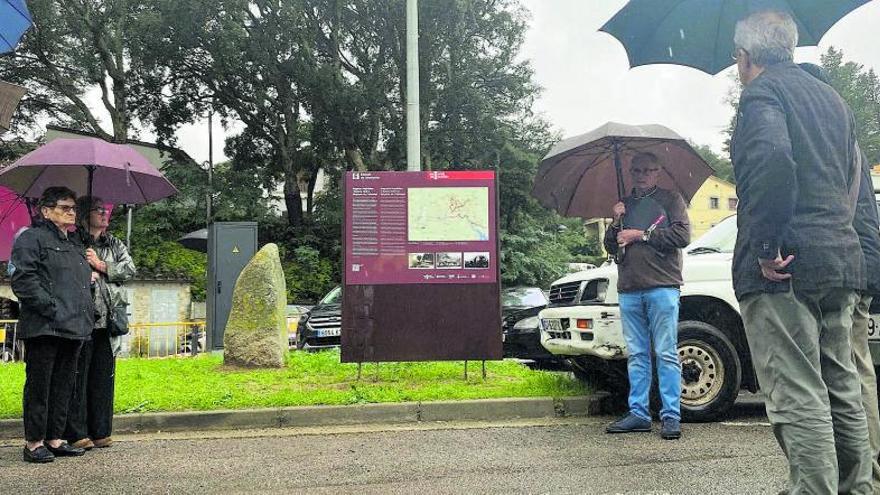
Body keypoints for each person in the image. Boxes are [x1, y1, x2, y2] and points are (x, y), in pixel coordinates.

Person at [731, 10, 872, 493]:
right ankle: (860, 488)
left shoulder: (761, 94)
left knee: (797, 393)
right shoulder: (832, 98)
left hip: (785, 271)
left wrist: (766, 245)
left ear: (744, 57)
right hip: (840, 260)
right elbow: (854, 180)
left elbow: (772, 158)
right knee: (842, 389)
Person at [800, 61, 880, 493]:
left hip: (853, 265)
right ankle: (862, 471)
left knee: (850, 371)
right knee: (849, 370)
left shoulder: (834, 144)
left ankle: (867, 473)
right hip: (857, 263)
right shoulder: (844, 141)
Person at [602, 151, 691, 440]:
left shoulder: (671, 199)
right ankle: (638, 413)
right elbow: (610, 246)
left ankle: (671, 416)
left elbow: (682, 237)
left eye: (647, 170)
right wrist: (615, 222)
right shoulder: (624, 205)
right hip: (629, 288)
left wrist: (640, 234)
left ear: (658, 171)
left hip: (662, 286)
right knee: (637, 354)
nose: (641, 175)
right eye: (636, 170)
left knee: (665, 352)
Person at [10, 186, 94, 463]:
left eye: (73, 208)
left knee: (63, 385)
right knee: (40, 386)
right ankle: (34, 443)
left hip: (73, 326)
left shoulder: (75, 244)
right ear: (46, 210)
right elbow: (24, 280)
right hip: (44, 326)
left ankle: (54, 438)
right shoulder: (31, 238)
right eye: (64, 207)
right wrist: (51, 307)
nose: (72, 213)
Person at [64, 196, 135, 450]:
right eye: (97, 210)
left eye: (105, 210)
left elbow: (129, 270)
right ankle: (77, 432)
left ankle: (101, 430)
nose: (104, 214)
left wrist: (102, 265)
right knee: (78, 377)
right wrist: (86, 269)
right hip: (81, 319)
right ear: (84, 216)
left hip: (108, 320)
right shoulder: (73, 242)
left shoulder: (114, 243)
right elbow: (65, 271)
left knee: (103, 378)